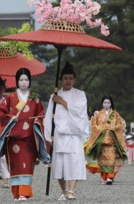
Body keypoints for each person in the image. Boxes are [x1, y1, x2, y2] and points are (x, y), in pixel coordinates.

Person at [0, 68, 50, 201]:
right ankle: (16, 193)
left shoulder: (34, 99)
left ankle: (24, 192)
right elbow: (1, 112)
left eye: (26, 80)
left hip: (29, 138)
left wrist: (37, 121)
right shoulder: (10, 98)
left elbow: (40, 115)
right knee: (15, 166)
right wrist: (10, 118)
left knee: (26, 165)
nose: (24, 82)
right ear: (17, 81)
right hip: (13, 139)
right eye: (21, 80)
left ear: (29, 81)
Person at [44, 62, 89, 201]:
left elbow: (80, 112)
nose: (68, 81)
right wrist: (48, 135)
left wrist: (62, 101)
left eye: (70, 78)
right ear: (61, 79)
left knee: (74, 163)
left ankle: (71, 191)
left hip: (73, 135)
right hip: (59, 135)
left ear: (74, 79)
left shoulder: (80, 94)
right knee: (60, 165)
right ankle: (64, 191)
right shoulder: (54, 96)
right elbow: (49, 116)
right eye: (65, 78)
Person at [86, 96, 127, 185]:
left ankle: (110, 177)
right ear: (102, 104)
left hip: (111, 140)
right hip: (101, 140)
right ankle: (104, 177)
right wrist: (101, 129)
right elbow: (93, 125)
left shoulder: (115, 114)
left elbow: (121, 124)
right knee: (102, 160)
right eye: (105, 103)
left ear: (111, 104)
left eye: (108, 103)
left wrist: (113, 128)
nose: (106, 104)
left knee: (111, 159)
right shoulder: (98, 114)